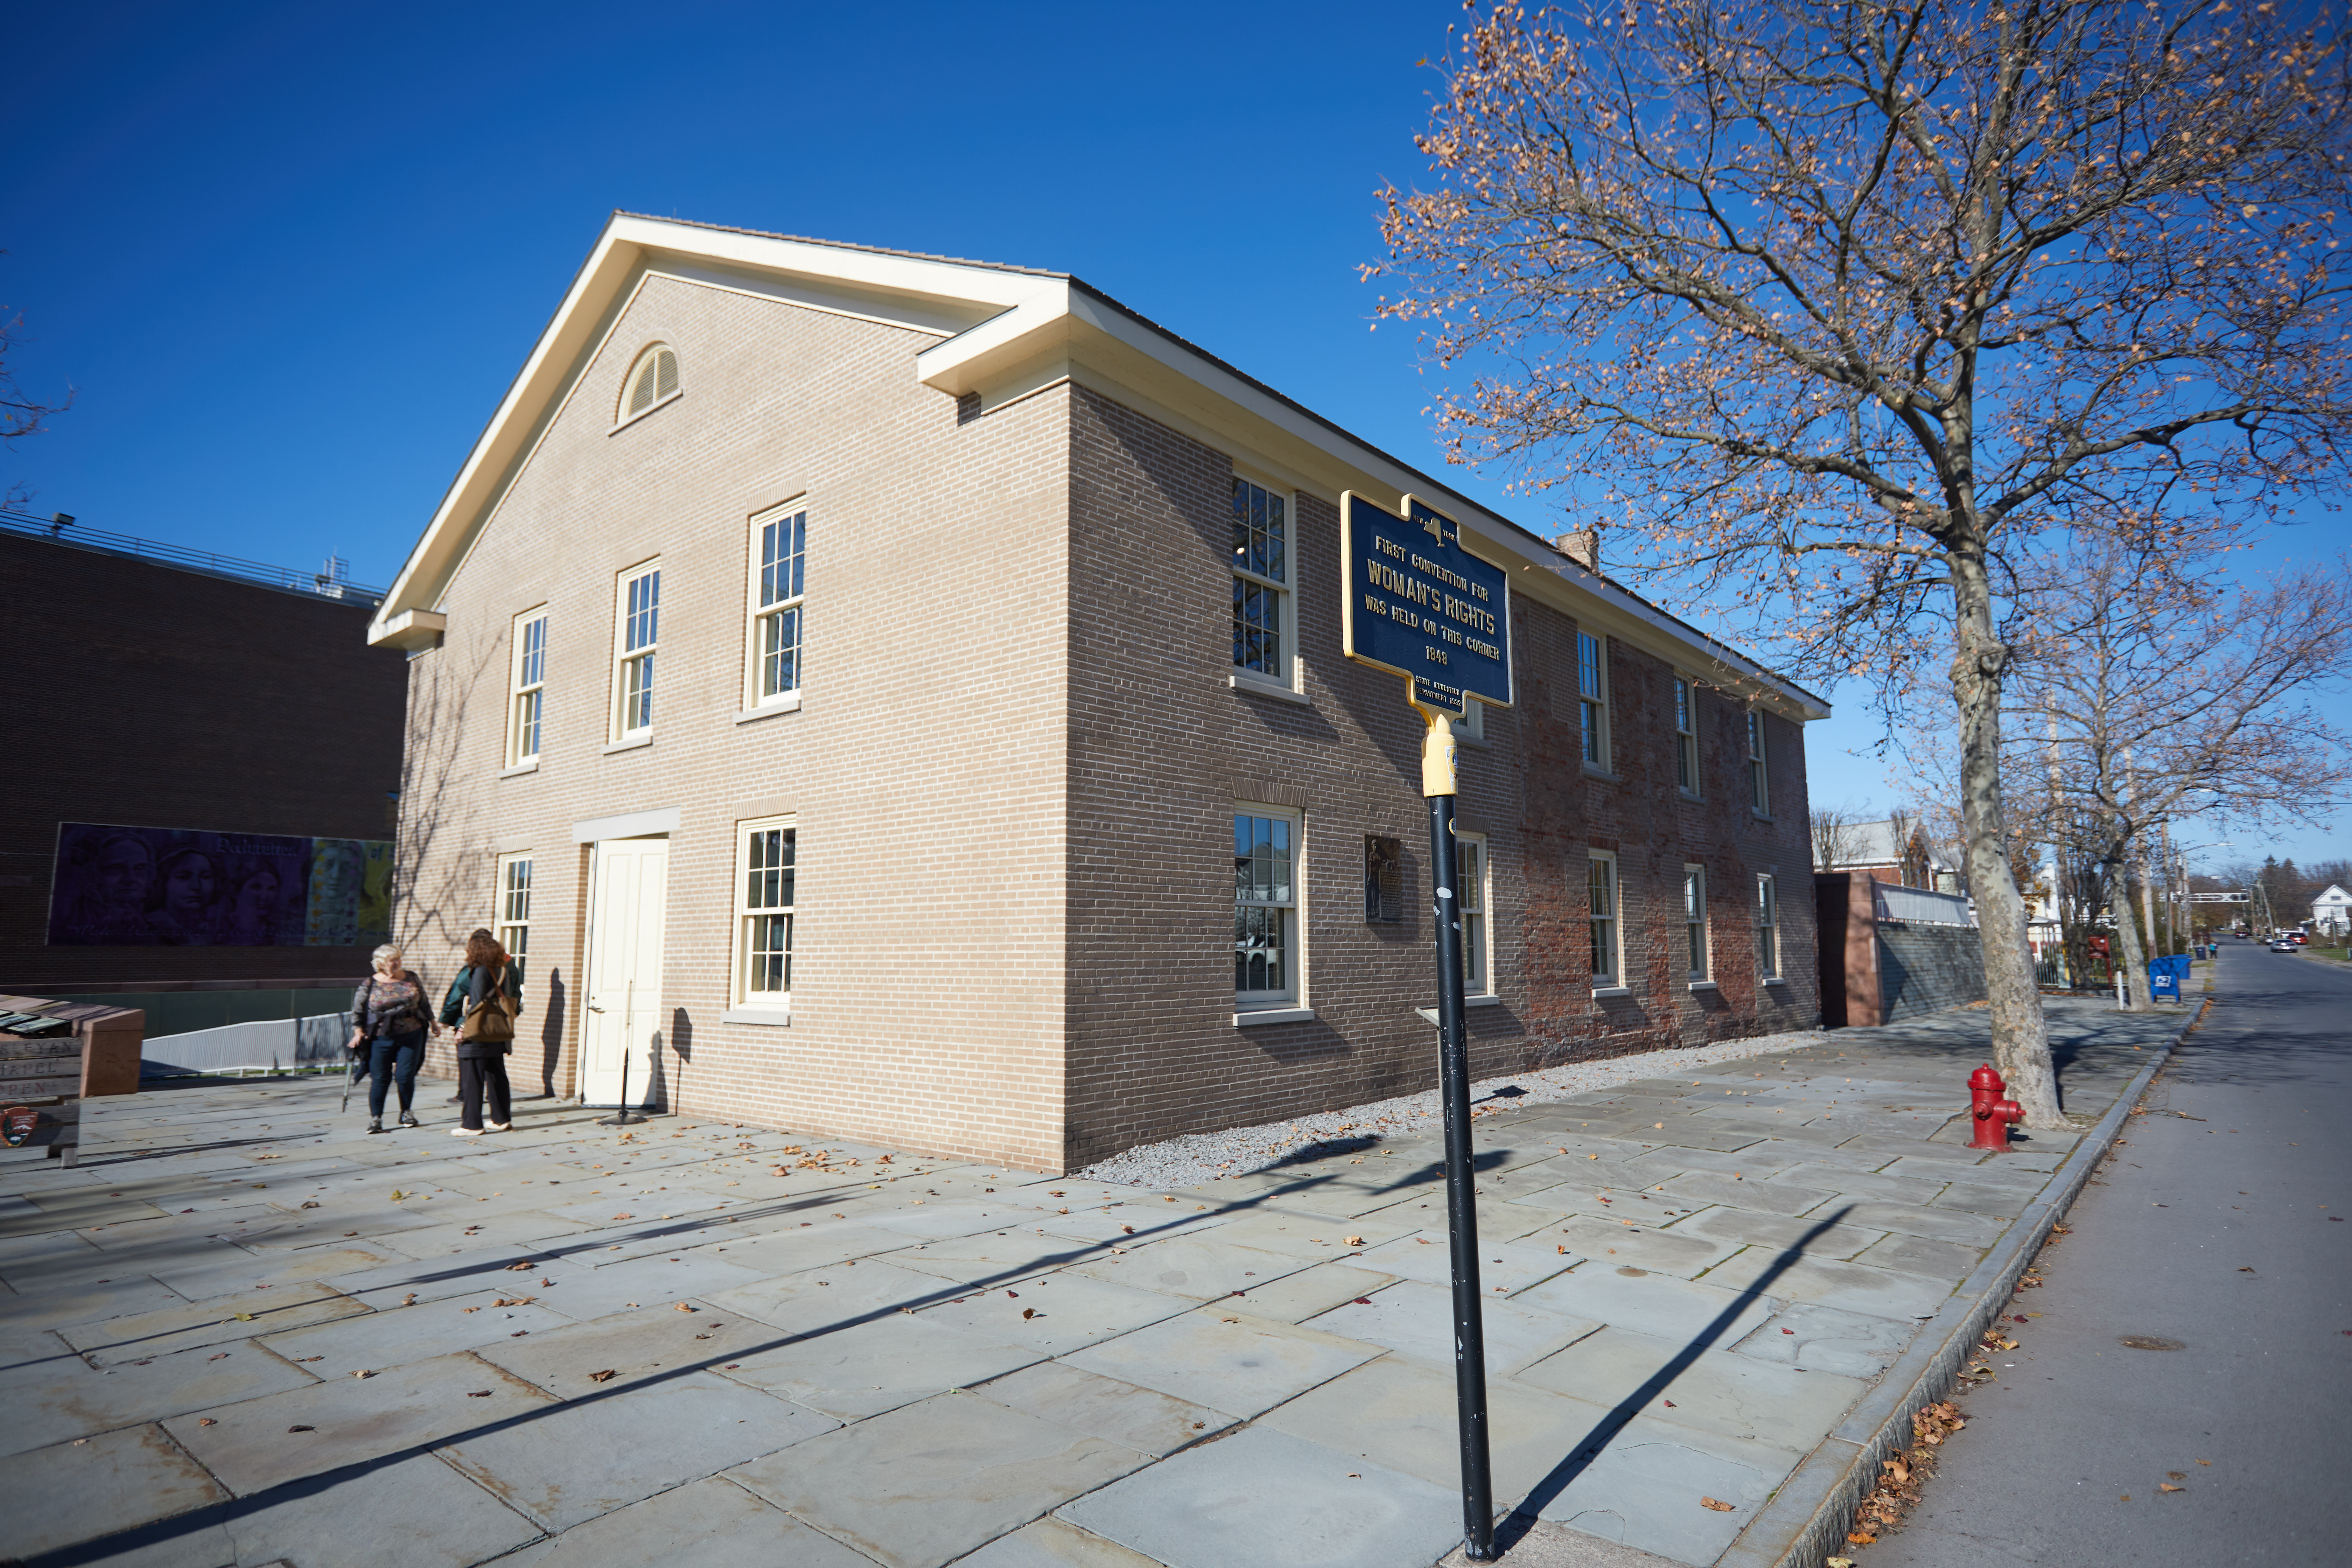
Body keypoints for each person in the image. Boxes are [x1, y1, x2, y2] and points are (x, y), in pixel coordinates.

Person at [349, 943, 439, 1133]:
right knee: (381, 1078)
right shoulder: (370, 983)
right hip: (380, 1038)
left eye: (399, 958)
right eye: (393, 960)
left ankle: (406, 1113)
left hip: (411, 1035)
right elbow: (358, 1009)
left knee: (405, 1076)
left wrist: (433, 1022)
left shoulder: (412, 978)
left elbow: (424, 1001)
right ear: (381, 963)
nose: (397, 962)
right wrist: (358, 1032)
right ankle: (376, 1119)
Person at [442, 929, 522, 1136]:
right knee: (496, 1075)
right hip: (496, 1031)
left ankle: (472, 1124)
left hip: (478, 1033)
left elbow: (476, 1004)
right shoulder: (503, 970)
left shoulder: (480, 971)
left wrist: (461, 1029)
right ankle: (502, 1119)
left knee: (472, 1079)